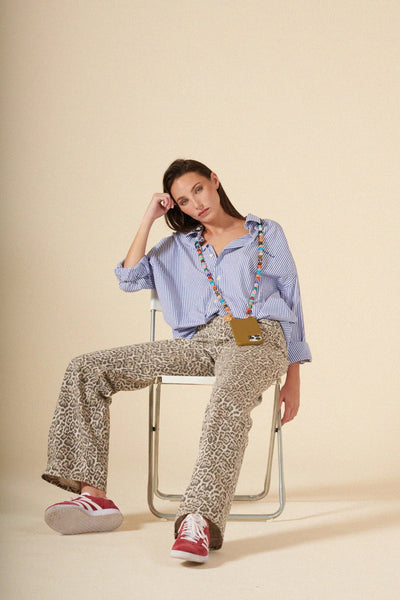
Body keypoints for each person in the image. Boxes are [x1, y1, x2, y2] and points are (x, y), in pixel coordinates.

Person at [42, 158, 311, 564]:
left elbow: (292, 300)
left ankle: (198, 519)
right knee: (87, 367)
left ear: (214, 181)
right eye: (184, 201)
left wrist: (294, 378)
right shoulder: (181, 246)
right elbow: (129, 277)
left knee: (227, 399)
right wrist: (148, 218)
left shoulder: (265, 232)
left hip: (258, 338)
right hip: (202, 342)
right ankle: (93, 496)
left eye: (198, 189)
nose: (195, 203)